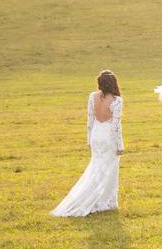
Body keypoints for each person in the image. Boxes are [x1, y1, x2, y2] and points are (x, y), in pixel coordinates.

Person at [51, 71, 124, 217]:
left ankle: (95, 198)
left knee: (95, 167)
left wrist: (88, 139)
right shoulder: (117, 100)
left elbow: (89, 120)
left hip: (96, 135)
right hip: (108, 137)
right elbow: (116, 126)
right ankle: (105, 201)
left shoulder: (92, 97)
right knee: (109, 169)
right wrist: (120, 145)